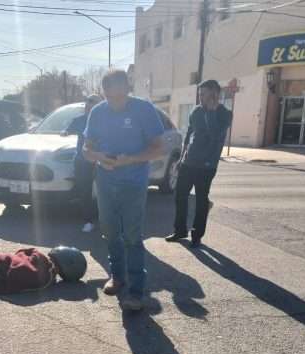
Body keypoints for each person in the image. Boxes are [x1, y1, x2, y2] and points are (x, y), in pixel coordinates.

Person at [83, 70, 165, 311]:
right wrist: (100, 157)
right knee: (109, 231)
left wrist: (131, 159)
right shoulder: (98, 112)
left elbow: (158, 148)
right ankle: (117, 277)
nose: (116, 102)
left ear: (128, 89)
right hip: (105, 180)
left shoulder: (144, 109)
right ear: (104, 92)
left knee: (132, 235)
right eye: (110, 97)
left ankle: (136, 292)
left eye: (120, 96)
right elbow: (86, 150)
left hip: (134, 181)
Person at [166, 79, 232, 247]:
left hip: (207, 166)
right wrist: (181, 158)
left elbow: (215, 135)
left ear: (214, 94)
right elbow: (189, 134)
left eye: (204, 94)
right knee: (180, 196)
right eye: (200, 94)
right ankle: (180, 230)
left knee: (201, 200)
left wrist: (211, 112)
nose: (200, 98)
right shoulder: (196, 111)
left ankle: (197, 236)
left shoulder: (224, 114)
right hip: (189, 162)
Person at [65, 94, 102, 233]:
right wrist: (65, 132)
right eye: (87, 103)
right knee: (84, 192)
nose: (88, 105)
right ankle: (88, 221)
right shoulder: (78, 120)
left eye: (92, 103)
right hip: (82, 161)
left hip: (102, 160)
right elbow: (67, 131)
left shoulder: (106, 120)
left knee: (106, 191)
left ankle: (108, 221)